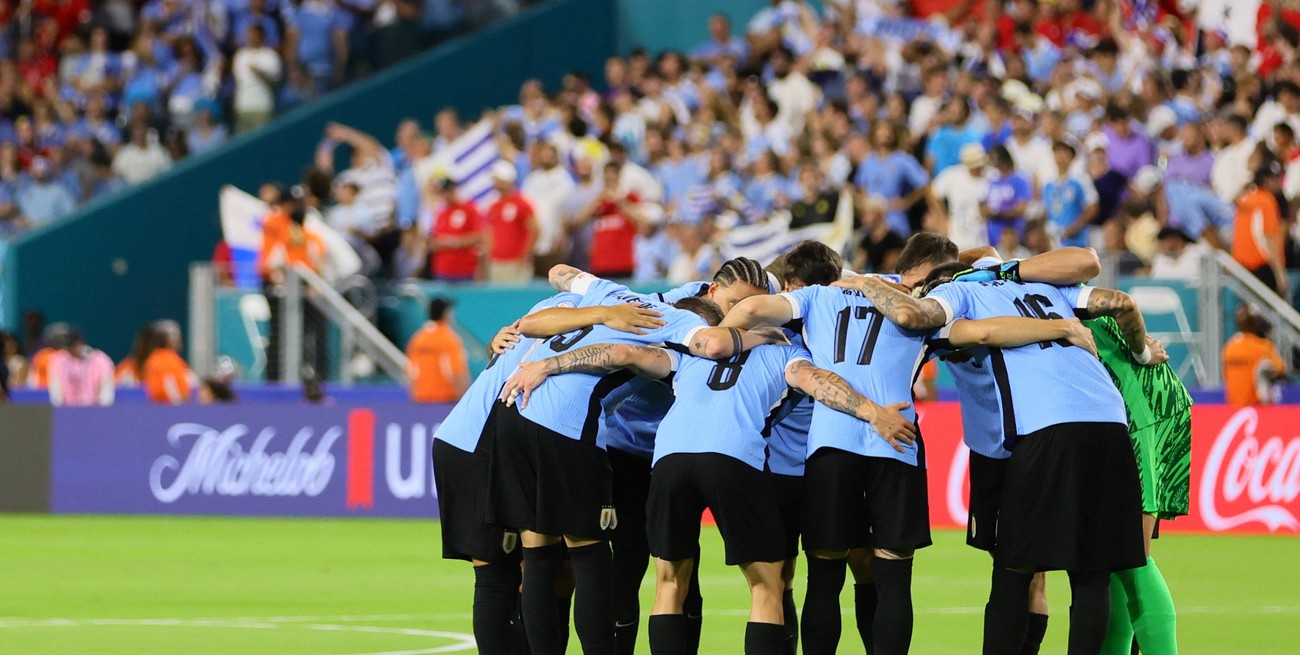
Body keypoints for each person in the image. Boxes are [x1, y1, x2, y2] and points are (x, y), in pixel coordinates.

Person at [717, 258, 1103, 655]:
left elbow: (749, 309)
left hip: (831, 446)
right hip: (897, 446)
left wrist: (717, 335)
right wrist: (1062, 328)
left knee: (824, 579)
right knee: (894, 580)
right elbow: (987, 331)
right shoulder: (920, 310)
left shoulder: (817, 296)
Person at [502, 317, 910, 655]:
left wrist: (548, 365)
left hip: (669, 462)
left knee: (669, 584)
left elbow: (621, 352)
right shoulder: (789, 352)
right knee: (767, 588)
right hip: (733, 460)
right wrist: (874, 413)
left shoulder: (689, 354)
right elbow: (822, 384)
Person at [834, 268, 1151, 654]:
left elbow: (937, 321)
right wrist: (1141, 351)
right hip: (1110, 421)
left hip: (1046, 425)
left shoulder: (955, 295)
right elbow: (1120, 299)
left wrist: (864, 282)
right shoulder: (1043, 285)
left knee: (1013, 569)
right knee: (1092, 575)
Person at [485, 265, 786, 655]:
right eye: (735, 304)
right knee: (606, 561)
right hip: (609, 443)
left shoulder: (620, 295)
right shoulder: (682, 322)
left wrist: (601, 309)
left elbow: (559, 275)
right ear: (712, 293)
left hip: (541, 421)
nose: (741, 311)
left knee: (550, 555)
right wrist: (760, 335)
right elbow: (706, 345)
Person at [431, 287, 664, 654]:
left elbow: (548, 296)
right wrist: (604, 312)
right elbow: (556, 286)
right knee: (499, 573)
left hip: (493, 432)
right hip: (478, 439)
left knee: (541, 563)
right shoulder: (567, 311)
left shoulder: (560, 319)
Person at [1232, 164, 1290, 297]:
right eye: (1276, 179)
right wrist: (1279, 273)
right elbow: (1268, 236)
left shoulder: (1245, 198)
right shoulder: (1266, 201)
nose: (1280, 183)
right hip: (1262, 266)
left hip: (1242, 265)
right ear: (1266, 181)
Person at [406, 297, 470, 403]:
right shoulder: (449, 339)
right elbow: (457, 372)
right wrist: (464, 400)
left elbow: (410, 371)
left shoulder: (418, 338)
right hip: (446, 400)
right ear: (445, 313)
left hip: (421, 400)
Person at [1223, 305, 1289, 406]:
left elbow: (1225, 375)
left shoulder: (1229, 347)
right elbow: (1281, 369)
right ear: (1256, 323)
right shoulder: (1262, 347)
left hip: (1234, 410)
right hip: (1256, 409)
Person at [930, 143, 992, 250]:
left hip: (985, 238)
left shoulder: (992, 175)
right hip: (958, 236)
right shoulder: (953, 175)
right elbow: (933, 192)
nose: (978, 169)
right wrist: (942, 218)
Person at [485, 160, 538, 284]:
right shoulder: (494, 205)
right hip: (497, 261)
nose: (495, 183)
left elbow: (535, 230)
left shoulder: (521, 203)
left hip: (516, 262)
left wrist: (526, 254)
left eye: (498, 179)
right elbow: (491, 232)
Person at [1042, 140, 1098, 248]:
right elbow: (1047, 211)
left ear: (1071, 155)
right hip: (1055, 242)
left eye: (1064, 151)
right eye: (1057, 151)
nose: (1060, 155)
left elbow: (1092, 207)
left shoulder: (1081, 180)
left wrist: (1073, 228)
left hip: (1077, 241)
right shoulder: (1049, 184)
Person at [429, 178, 485, 282]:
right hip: (442, 270)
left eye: (447, 191)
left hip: (464, 270)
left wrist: (453, 242)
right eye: (442, 192)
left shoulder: (469, 209)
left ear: (454, 190)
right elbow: (434, 240)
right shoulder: (441, 213)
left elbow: (479, 237)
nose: (445, 195)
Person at [232, 23, 282, 133]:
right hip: (243, 106)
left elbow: (274, 83)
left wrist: (260, 73)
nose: (251, 38)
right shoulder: (241, 55)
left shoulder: (270, 55)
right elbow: (239, 79)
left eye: (255, 35)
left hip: (262, 106)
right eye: (249, 36)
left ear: (262, 37)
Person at [47, 327, 115, 406]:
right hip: (68, 410)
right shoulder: (59, 360)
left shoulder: (100, 360)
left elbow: (106, 391)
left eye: (74, 345)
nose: (70, 350)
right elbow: (56, 391)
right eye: (69, 347)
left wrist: (101, 409)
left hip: (94, 410)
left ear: (81, 343)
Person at [143, 320, 192, 405]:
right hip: (170, 408)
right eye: (175, 337)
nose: (179, 341)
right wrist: (180, 406)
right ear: (166, 340)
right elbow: (170, 385)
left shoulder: (152, 359)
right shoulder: (167, 360)